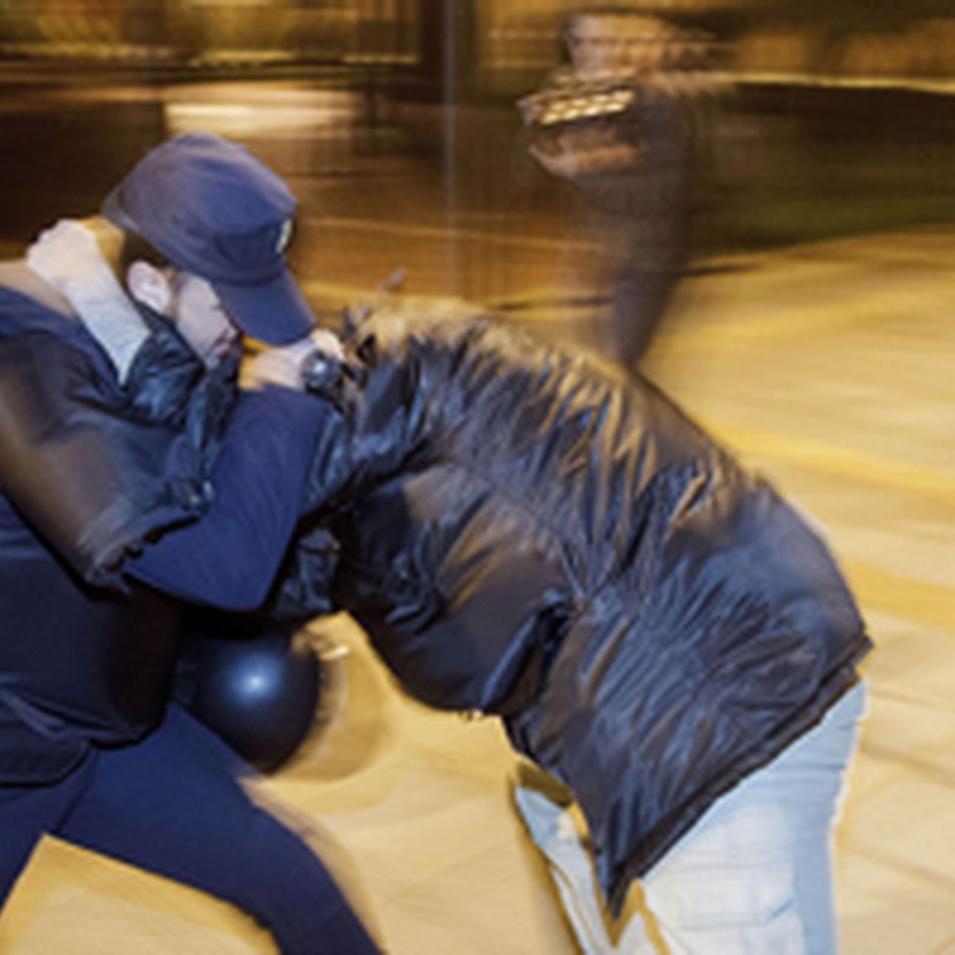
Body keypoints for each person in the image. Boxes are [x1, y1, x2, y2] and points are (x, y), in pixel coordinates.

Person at [0, 132, 382, 954]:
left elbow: (203, 461)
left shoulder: (151, 332)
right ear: (152, 282)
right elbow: (219, 565)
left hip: (96, 725)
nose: (244, 333)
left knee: (298, 882)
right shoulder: (22, 366)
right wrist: (281, 402)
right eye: (229, 304)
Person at [273, 298, 870, 953]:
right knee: (547, 803)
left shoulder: (368, 519)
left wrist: (314, 570)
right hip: (794, 615)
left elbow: (461, 669)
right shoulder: (431, 345)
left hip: (701, 733)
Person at [521, 11, 698, 371]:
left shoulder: (661, 101)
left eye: (607, 42)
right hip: (595, 253)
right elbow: (534, 163)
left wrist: (588, 165)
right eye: (583, 43)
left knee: (619, 367)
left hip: (649, 255)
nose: (595, 53)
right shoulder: (578, 93)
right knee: (590, 366)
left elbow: (666, 189)